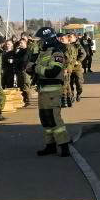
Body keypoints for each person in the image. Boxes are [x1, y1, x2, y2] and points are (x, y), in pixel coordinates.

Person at [33, 27, 70, 156]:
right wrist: (31, 68)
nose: (39, 42)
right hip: (43, 92)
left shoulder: (57, 53)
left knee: (55, 120)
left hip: (53, 92)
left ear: (47, 40)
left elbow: (52, 71)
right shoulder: (42, 53)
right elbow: (33, 69)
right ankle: (50, 146)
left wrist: (36, 68)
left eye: (41, 40)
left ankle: (64, 146)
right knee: (45, 119)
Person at [64, 33, 85, 103]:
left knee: (79, 82)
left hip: (77, 67)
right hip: (68, 68)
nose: (69, 38)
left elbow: (83, 54)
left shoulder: (77, 45)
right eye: (68, 37)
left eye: (71, 37)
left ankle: (79, 93)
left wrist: (78, 61)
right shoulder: (65, 45)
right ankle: (71, 95)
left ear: (75, 38)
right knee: (69, 83)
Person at [14, 36, 33, 106]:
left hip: (25, 70)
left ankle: (28, 100)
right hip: (20, 69)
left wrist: (17, 60)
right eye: (19, 43)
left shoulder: (28, 50)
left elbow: (24, 60)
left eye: (21, 43)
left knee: (26, 85)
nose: (20, 44)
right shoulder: (19, 51)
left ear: (25, 43)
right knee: (20, 85)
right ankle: (23, 99)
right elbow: (15, 59)